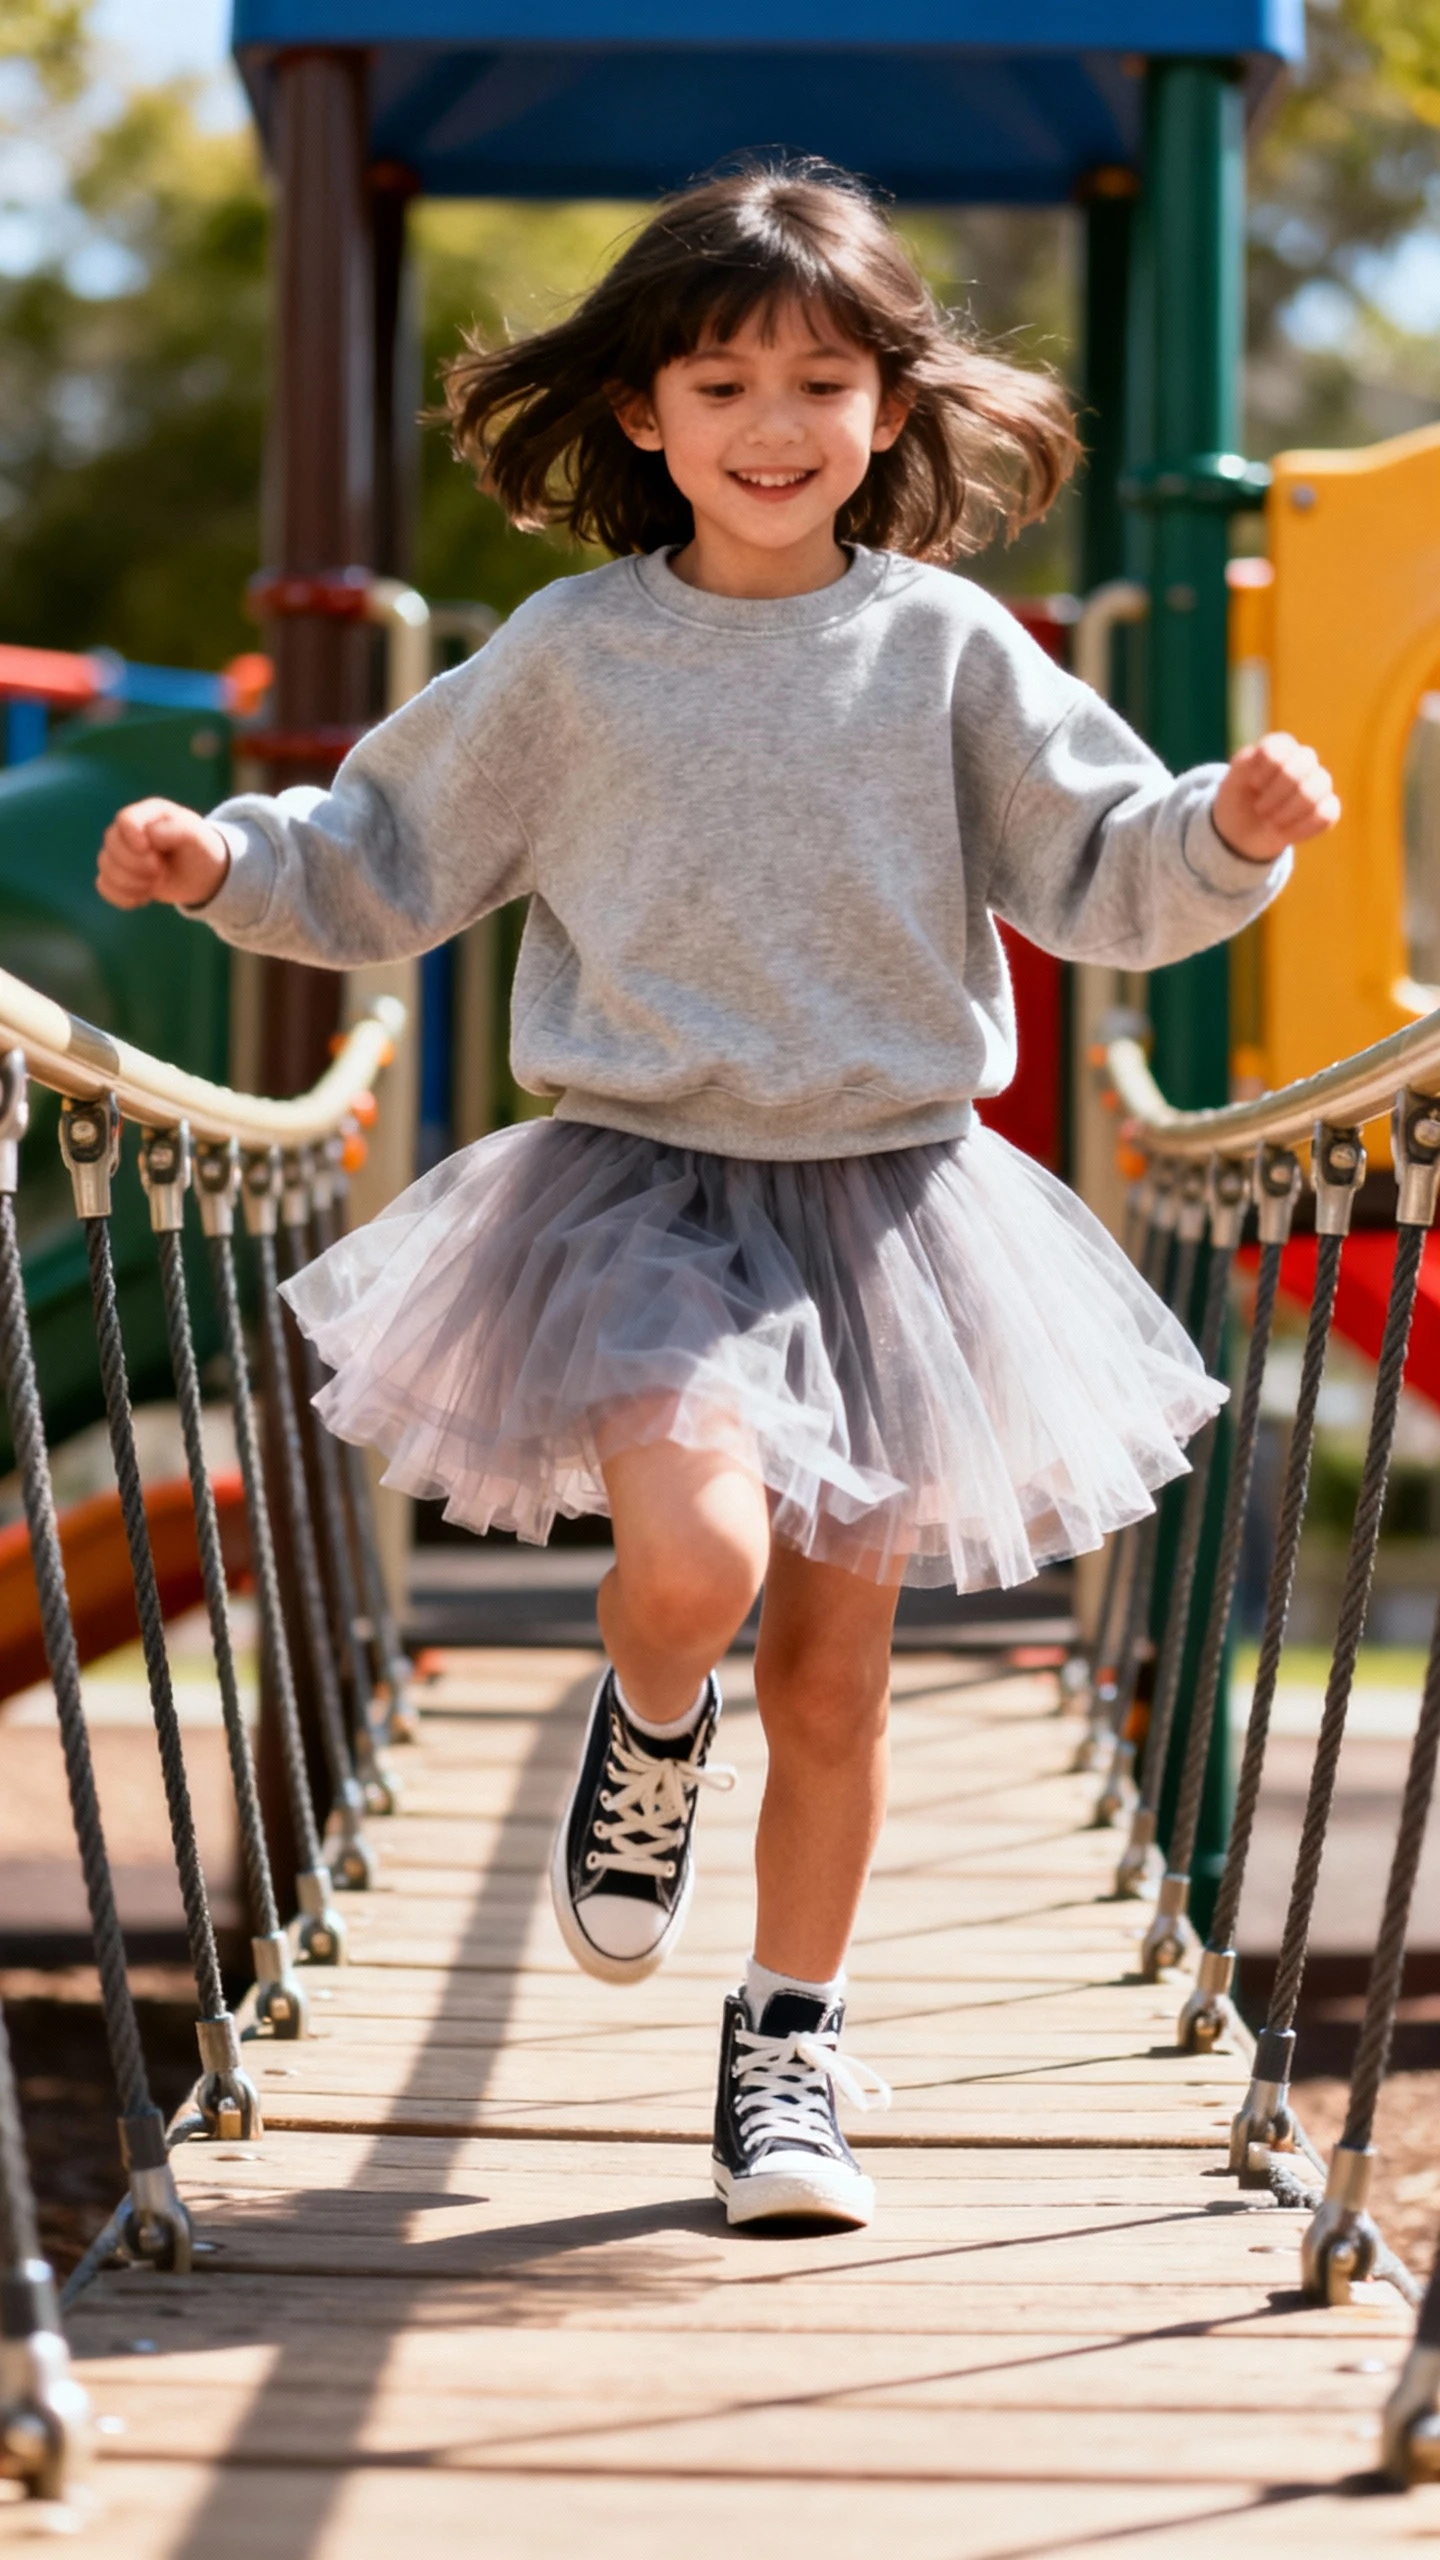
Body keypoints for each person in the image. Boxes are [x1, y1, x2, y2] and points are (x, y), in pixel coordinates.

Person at [97, 163, 1339, 2234]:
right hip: (641, 1189)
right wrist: (228, 860)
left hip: (898, 1210)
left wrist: (1233, 826)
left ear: (888, 410)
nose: (776, 422)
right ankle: (646, 1723)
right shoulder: (578, 652)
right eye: (723, 376)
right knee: (693, 1559)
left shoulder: (943, 645)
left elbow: (1106, 860)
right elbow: (390, 845)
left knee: (837, 1676)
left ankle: (789, 2046)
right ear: (647, 413)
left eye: (824, 380)